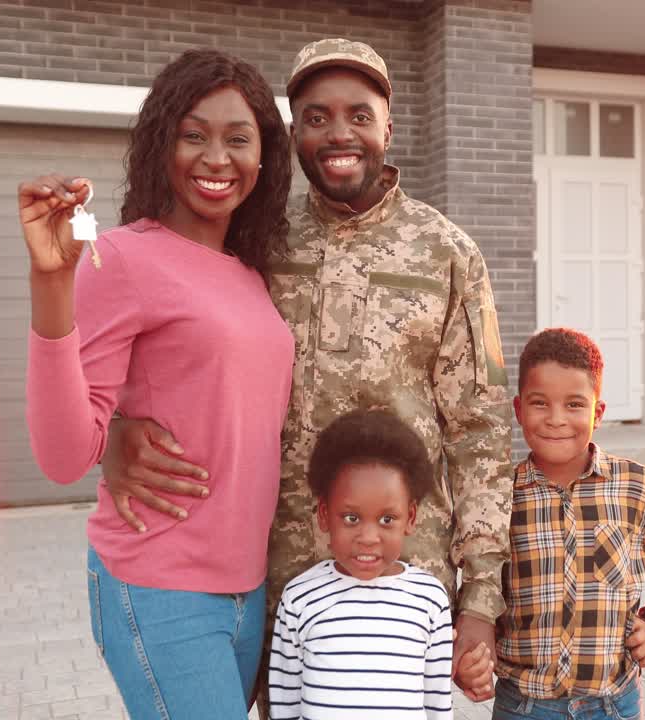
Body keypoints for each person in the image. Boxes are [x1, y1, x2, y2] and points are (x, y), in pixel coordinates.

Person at [94, 38, 513, 710]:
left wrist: (481, 601)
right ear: (293, 135)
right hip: (273, 576)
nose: (339, 133)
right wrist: (109, 432)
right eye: (316, 117)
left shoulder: (451, 254)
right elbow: (160, 344)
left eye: (358, 114)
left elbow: (482, 432)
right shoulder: (256, 244)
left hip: (402, 581)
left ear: (388, 127)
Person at [20, 48, 295, 719]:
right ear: (161, 143)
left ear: (263, 159)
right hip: (159, 583)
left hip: (247, 590)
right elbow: (61, 456)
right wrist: (52, 283)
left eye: (238, 139)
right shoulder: (122, 257)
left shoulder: (251, 274)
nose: (216, 158)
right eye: (193, 134)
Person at [490, 328, 645, 719]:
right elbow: (478, 580)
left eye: (574, 405)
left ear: (598, 413)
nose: (556, 420)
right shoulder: (501, 494)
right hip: (524, 704)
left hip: (612, 703)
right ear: (519, 410)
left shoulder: (637, 486)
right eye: (541, 404)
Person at [270, 409, 455, 719]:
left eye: (387, 519)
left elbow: (438, 706)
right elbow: (284, 705)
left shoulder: (430, 600)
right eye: (352, 518)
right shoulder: (299, 598)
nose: (368, 537)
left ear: (409, 518)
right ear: (325, 515)